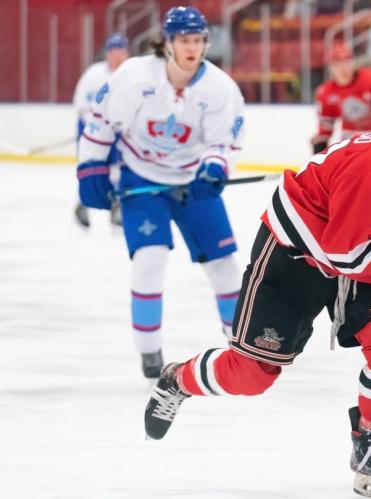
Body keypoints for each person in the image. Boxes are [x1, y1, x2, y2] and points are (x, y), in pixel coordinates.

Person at [144, 71, 371, 499]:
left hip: (364, 256)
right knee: (252, 375)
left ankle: (370, 445)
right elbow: (348, 254)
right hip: (297, 257)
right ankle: (178, 380)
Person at [76, 6, 245, 379]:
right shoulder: (135, 76)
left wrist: (214, 167)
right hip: (142, 181)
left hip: (192, 183)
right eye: (184, 40)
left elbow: (225, 141)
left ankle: (240, 344)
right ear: (167, 42)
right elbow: (101, 122)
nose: (192, 48)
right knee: (149, 260)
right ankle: (150, 351)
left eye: (198, 40)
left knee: (224, 265)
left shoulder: (219, 88)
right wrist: (91, 168)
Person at [72, 33, 130, 228]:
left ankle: (116, 207)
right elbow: (81, 103)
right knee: (93, 169)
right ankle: (83, 205)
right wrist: (98, 125)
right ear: (107, 53)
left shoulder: (132, 74)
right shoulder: (94, 74)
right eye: (114, 52)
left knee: (117, 168)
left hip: (119, 130)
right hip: (93, 129)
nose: (117, 56)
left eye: (121, 51)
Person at [311, 43, 371, 155]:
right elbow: (325, 129)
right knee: (318, 142)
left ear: (353, 63)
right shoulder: (325, 92)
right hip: (348, 142)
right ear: (330, 67)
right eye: (337, 64)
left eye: (346, 62)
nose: (342, 68)